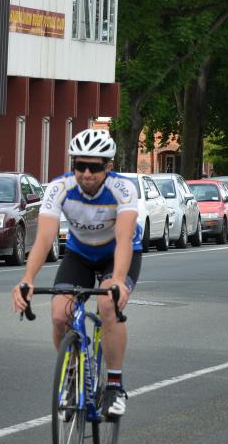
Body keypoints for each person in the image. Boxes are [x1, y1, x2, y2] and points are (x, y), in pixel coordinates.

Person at [11, 128, 141, 418]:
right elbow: (44, 239)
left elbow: (123, 238)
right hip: (80, 254)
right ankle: (71, 378)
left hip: (117, 255)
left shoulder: (123, 189)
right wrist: (27, 280)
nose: (85, 173)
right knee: (59, 314)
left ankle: (115, 386)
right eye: (79, 166)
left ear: (108, 167)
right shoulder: (60, 188)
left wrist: (118, 280)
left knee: (108, 304)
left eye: (93, 167)